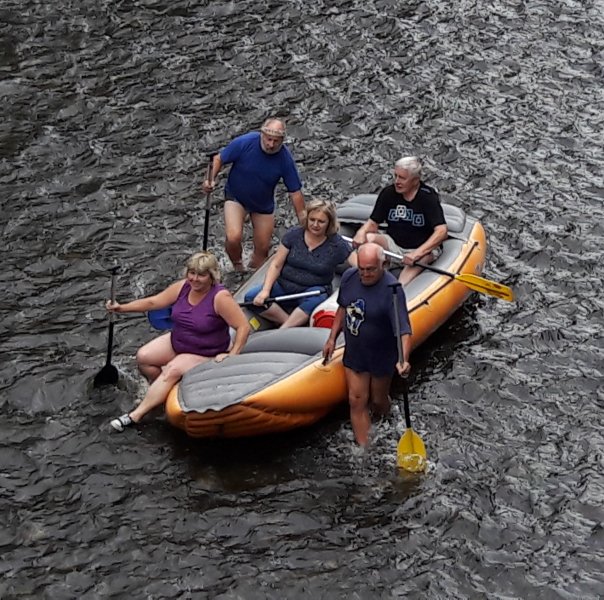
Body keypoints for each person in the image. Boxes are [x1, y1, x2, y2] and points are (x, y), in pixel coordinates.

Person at [106, 251, 250, 432]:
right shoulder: (183, 286)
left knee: (173, 368)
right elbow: (153, 302)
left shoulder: (221, 297)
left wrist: (232, 355)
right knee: (144, 357)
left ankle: (135, 415)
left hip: (206, 351)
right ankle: (163, 392)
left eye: (201, 275)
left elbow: (243, 327)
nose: (195, 279)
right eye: (192, 273)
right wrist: (121, 308)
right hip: (179, 341)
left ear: (212, 276)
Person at [323, 243, 412, 447]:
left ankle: (386, 418)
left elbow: (405, 331)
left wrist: (404, 360)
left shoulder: (393, 291)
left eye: (370, 269)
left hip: (381, 354)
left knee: (378, 401)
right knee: (356, 400)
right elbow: (342, 309)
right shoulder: (349, 278)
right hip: (355, 351)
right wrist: (331, 338)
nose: (365, 274)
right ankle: (365, 450)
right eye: (362, 268)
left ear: (383, 265)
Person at [202, 118, 305, 272]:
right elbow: (219, 159)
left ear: (282, 140)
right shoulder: (245, 143)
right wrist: (210, 180)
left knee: (262, 250)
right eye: (268, 139)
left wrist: (304, 221)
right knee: (234, 237)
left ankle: (252, 273)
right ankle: (237, 266)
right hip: (236, 197)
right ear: (262, 134)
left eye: (276, 141)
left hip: (262, 205)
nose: (271, 144)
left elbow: (295, 193)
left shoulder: (285, 159)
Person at [243, 199, 352, 328]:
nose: (315, 225)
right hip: (284, 285)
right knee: (251, 297)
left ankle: (282, 331)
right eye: (312, 220)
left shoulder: (337, 244)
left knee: (314, 300)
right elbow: (276, 264)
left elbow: (357, 262)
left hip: (313, 291)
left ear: (329, 223)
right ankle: (288, 323)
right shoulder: (294, 235)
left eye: (321, 221)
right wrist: (265, 291)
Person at [352, 156, 448, 285]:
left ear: (415, 180)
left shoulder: (428, 197)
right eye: (396, 176)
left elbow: (441, 231)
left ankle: (399, 288)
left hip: (421, 248)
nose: (397, 181)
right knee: (369, 238)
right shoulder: (388, 193)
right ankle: (369, 276)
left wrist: (417, 253)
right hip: (394, 244)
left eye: (402, 178)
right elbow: (373, 222)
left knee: (420, 260)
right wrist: (361, 233)